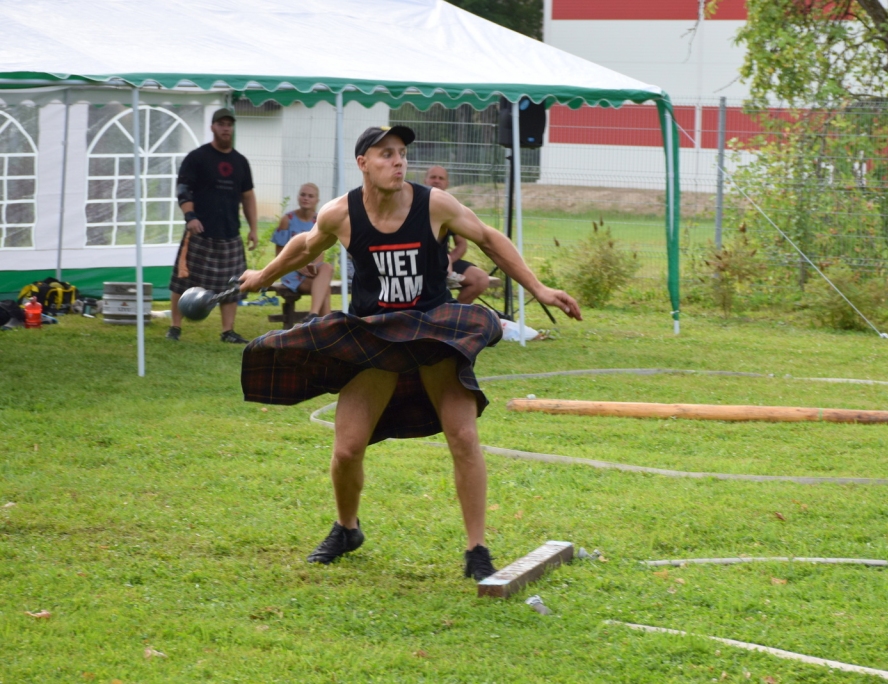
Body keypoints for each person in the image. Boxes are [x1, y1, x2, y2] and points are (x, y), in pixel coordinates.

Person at [237, 125, 581, 580]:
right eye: (385, 155)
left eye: (401, 154)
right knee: (347, 449)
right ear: (363, 164)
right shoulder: (341, 214)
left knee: (462, 436)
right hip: (375, 335)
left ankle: (477, 549)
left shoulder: (433, 204)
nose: (398, 162)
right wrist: (262, 276)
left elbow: (488, 237)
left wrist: (537, 287)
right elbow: (304, 246)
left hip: (433, 331)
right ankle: (347, 528)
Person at [167, 107, 258, 343]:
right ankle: (175, 327)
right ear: (213, 127)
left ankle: (228, 331)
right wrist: (190, 217)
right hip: (200, 232)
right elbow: (183, 190)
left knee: (231, 286)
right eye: (221, 124)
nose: (226, 128)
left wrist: (254, 229)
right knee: (182, 281)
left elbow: (248, 196)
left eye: (229, 124)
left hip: (230, 233)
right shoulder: (197, 158)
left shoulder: (240, 162)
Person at [424, 165, 492, 305]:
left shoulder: (451, 208)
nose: (437, 181)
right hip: (418, 262)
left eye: (441, 178)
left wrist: (448, 258)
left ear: (447, 183)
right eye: (433, 177)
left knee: (480, 279)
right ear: (425, 180)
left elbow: (461, 244)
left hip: (444, 262)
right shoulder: (414, 203)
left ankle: (453, 315)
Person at [271, 183, 334, 320]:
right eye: (303, 195)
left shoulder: (320, 221)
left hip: (310, 271)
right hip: (291, 271)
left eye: (310, 196)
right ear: (298, 197)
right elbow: (279, 255)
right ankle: (323, 324)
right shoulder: (287, 220)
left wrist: (312, 265)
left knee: (327, 267)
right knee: (325, 290)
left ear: (317, 200)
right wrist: (298, 266)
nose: (306, 198)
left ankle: (313, 316)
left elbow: (320, 252)